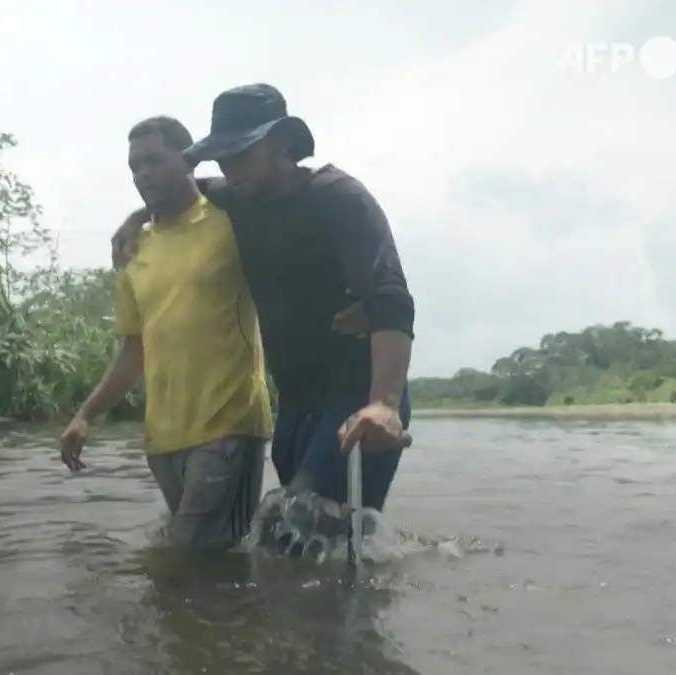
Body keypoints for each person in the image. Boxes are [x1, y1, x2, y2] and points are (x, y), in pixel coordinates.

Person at [111, 84, 415, 515]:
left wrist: (384, 404)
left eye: (242, 154)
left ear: (282, 144)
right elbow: (181, 187)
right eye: (223, 157)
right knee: (300, 543)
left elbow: (392, 302)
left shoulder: (340, 200)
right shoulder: (237, 197)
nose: (231, 169)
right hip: (294, 401)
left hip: (357, 394)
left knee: (297, 521)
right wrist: (135, 218)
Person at [59, 116, 274, 550]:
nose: (143, 175)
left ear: (189, 160)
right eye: (135, 167)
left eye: (154, 161)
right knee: (211, 566)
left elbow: (273, 201)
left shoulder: (232, 222)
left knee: (190, 557)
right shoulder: (133, 250)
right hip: (163, 439)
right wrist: (86, 414)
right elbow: (133, 351)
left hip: (229, 426)